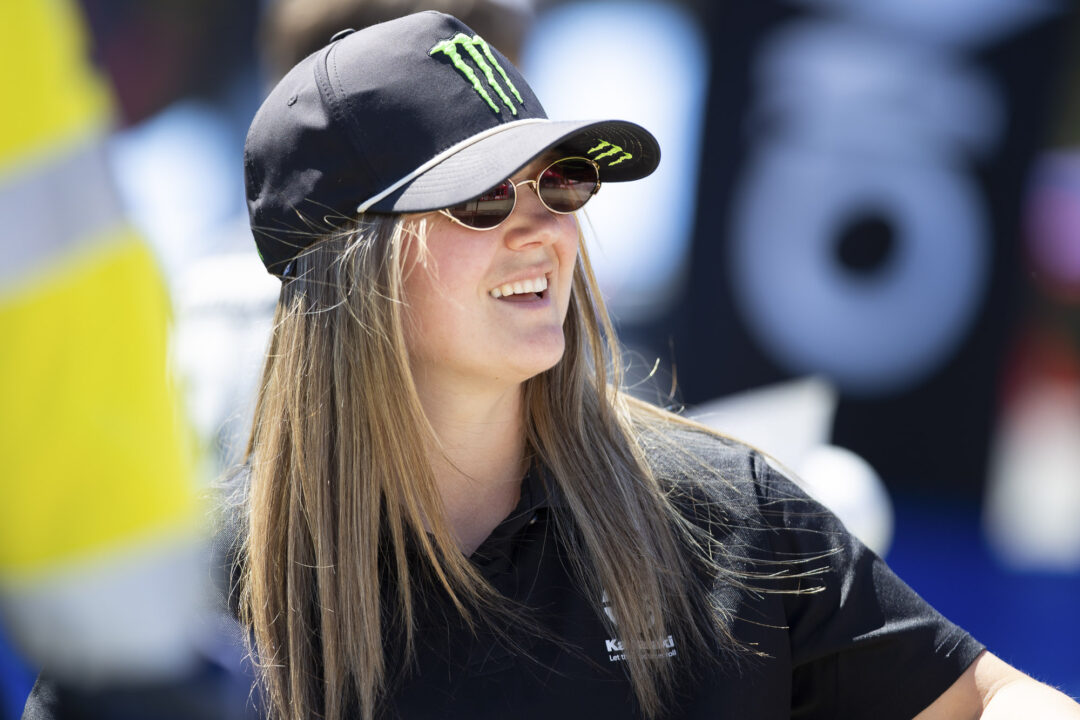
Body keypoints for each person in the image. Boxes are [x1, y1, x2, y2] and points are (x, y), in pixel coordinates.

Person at [229, 10, 1080, 720]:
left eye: (559, 183)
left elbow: (988, 700)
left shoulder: (728, 516)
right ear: (345, 261)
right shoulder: (223, 581)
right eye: (485, 196)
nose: (545, 230)